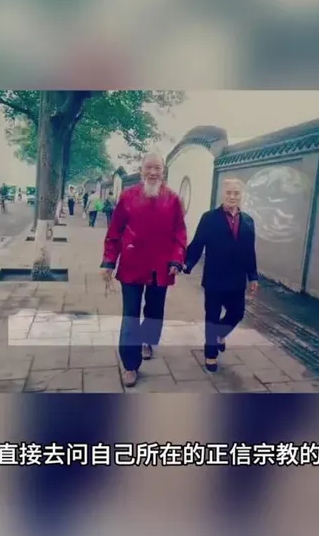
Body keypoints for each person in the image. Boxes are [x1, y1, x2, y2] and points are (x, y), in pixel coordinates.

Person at [101, 152, 187, 387]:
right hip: (132, 265)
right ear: (141, 171)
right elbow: (115, 231)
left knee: (154, 311)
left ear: (163, 171)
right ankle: (130, 364)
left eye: (157, 168)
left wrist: (177, 259)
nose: (152, 172)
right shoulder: (127, 197)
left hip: (161, 267)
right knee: (130, 314)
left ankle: (148, 339)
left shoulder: (173, 199)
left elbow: (180, 232)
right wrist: (109, 261)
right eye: (148, 168)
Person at [183, 178, 258, 372]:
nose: (232, 196)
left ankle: (220, 334)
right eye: (229, 193)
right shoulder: (209, 218)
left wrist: (253, 275)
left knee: (237, 313)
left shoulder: (248, 221)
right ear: (222, 194)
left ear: (241, 195)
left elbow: (250, 251)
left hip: (237, 278)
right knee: (212, 316)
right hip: (214, 277)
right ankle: (210, 354)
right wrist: (188, 263)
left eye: (236, 193)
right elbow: (198, 243)